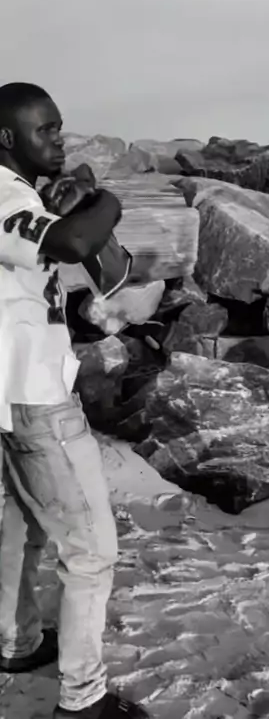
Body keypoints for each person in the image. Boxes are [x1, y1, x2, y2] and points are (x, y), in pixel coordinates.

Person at [0, 83, 150, 719]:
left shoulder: (28, 197)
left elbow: (113, 271)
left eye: (60, 128)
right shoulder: (4, 195)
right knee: (91, 552)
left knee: (21, 528)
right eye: (46, 130)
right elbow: (72, 247)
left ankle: (16, 642)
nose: (59, 140)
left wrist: (83, 207)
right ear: (7, 138)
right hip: (36, 397)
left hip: (12, 396)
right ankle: (83, 700)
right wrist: (106, 197)